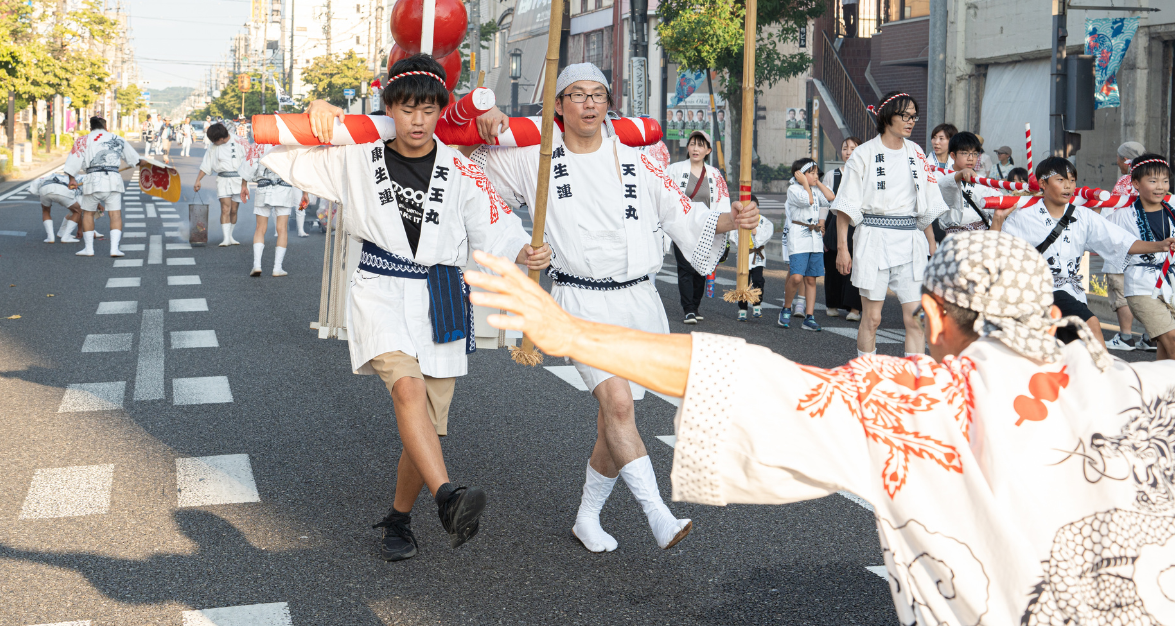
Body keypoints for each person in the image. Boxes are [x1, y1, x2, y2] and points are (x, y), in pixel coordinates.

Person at [464, 231, 1175, 626]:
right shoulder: (1151, 386)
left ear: (932, 316)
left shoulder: (919, 398)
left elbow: (748, 381)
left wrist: (569, 331)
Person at [265, 54, 548, 561]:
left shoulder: (461, 168)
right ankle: (447, 498)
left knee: (428, 427)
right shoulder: (355, 158)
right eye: (406, 108)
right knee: (408, 388)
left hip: (439, 296)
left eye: (428, 109)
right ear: (389, 109)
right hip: (380, 289)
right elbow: (275, 150)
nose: (418, 120)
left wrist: (524, 252)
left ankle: (399, 518)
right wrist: (314, 114)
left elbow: (497, 228)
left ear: (441, 111)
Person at [472, 62, 761, 554]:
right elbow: (471, 179)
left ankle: (587, 517)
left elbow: (685, 215)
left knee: (613, 421)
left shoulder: (638, 161)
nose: (588, 104)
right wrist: (518, 241)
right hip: (578, 299)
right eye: (576, 95)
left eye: (598, 95)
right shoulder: (535, 156)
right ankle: (658, 515)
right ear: (558, 105)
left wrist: (732, 221)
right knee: (620, 405)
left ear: (609, 104)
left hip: (638, 300)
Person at [997, 156, 1175, 346]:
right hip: (1038, 290)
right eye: (1061, 180)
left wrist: (1161, 245)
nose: (1068, 186)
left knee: (1074, 349)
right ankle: (1105, 372)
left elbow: (1120, 241)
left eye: (1072, 180)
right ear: (1043, 183)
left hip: (1072, 292)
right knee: (1090, 327)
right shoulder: (1022, 216)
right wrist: (998, 221)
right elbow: (997, 252)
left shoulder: (1083, 216)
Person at [833, 92, 947, 356]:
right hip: (873, 237)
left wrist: (931, 241)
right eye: (904, 116)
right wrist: (842, 248)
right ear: (887, 117)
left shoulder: (916, 152)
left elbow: (926, 201)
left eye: (914, 116)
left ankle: (915, 380)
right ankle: (866, 376)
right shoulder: (864, 153)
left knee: (916, 319)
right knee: (872, 319)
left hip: (910, 240)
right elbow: (845, 205)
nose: (911, 121)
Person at [1106, 153, 1174, 358]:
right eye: (1152, 181)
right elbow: (1112, 245)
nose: (1160, 187)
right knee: (1171, 337)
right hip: (1141, 287)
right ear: (1135, 182)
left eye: (1165, 181)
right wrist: (1159, 246)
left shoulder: (1173, 210)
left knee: (1165, 341)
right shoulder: (1121, 216)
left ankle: (1162, 388)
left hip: (1171, 283)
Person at [665, 129, 731, 324]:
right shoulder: (675, 169)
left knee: (701, 268)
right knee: (685, 267)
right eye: (693, 144)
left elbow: (722, 200)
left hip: (706, 227)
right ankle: (689, 309)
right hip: (682, 227)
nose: (695, 148)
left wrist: (724, 227)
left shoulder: (714, 174)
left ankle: (695, 304)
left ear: (708, 150)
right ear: (688, 147)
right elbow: (666, 194)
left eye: (700, 145)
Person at [63, 115, 140, 258]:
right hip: (113, 179)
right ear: (106, 127)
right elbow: (134, 160)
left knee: (88, 214)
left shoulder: (83, 140)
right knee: (115, 214)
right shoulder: (117, 139)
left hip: (92, 179)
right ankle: (114, 249)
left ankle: (89, 249)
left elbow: (72, 162)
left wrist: (72, 178)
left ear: (90, 128)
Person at [779, 158, 832, 330]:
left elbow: (831, 198)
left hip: (815, 238)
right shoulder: (793, 189)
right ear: (800, 174)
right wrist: (805, 184)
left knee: (811, 279)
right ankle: (786, 308)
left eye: (817, 172)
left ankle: (809, 317)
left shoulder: (815, 190)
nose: (816, 176)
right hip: (799, 236)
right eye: (812, 172)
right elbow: (807, 201)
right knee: (796, 277)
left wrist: (817, 183)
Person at [239, 142, 306, 277]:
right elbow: (299, 169)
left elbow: (248, 165)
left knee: (260, 228)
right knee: (282, 229)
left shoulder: (258, 145)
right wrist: (305, 193)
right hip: (284, 189)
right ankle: (277, 268)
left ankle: (257, 265)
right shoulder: (289, 142)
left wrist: (244, 185)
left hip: (263, 187)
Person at [823, 137, 861, 320]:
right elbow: (824, 203)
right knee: (832, 264)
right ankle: (832, 304)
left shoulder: (865, 174)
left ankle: (854, 308)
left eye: (853, 148)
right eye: (845, 148)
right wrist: (821, 225)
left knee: (857, 266)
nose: (848, 152)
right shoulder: (833, 175)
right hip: (834, 223)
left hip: (857, 224)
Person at [194, 121, 247, 247]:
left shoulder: (240, 141)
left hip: (239, 180)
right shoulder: (213, 147)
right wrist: (198, 180)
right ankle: (226, 238)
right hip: (223, 179)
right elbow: (206, 164)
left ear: (222, 138)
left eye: (214, 140)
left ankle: (230, 236)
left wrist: (247, 181)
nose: (213, 142)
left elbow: (249, 162)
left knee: (234, 210)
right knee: (225, 208)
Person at [936, 132, 994, 237]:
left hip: (979, 236)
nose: (971, 158)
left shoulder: (981, 181)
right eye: (965, 153)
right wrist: (960, 174)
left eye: (975, 153)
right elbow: (942, 186)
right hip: (952, 237)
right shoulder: (940, 176)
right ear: (953, 155)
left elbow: (995, 203)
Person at [731, 214, 774, 321]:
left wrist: (757, 232)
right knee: (743, 283)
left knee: (758, 280)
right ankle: (742, 309)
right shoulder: (739, 220)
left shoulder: (763, 220)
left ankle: (757, 305)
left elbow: (768, 232)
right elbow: (733, 236)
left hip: (757, 256)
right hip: (743, 255)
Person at [32, 170, 84, 243]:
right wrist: (80, 230)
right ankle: (66, 237)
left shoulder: (46, 177)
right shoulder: (79, 178)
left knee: (45, 211)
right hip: (62, 190)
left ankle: (50, 237)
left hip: (44, 188)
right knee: (77, 211)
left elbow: (33, 189)